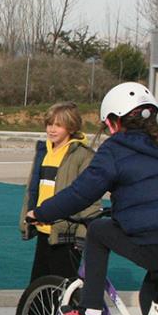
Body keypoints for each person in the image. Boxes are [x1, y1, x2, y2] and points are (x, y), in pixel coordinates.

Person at [30, 82, 158, 315]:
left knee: (99, 230)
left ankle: (90, 309)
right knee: (151, 295)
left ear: (115, 122)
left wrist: (40, 212)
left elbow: (79, 193)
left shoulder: (115, 150)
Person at [19, 102, 96, 283]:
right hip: (43, 228)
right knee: (38, 286)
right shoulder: (44, 152)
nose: (52, 129)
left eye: (58, 125)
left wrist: (82, 234)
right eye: (49, 124)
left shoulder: (83, 155)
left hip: (66, 233)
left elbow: (89, 197)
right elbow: (33, 190)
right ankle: (35, 313)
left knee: (63, 287)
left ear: (71, 127)